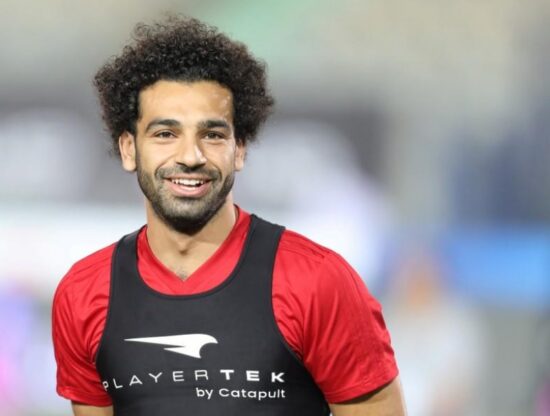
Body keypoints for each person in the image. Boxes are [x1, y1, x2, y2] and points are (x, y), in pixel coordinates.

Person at [52, 16, 405, 416]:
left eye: (213, 135)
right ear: (129, 149)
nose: (190, 156)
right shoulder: (84, 294)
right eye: (165, 134)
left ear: (239, 149)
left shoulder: (319, 281)